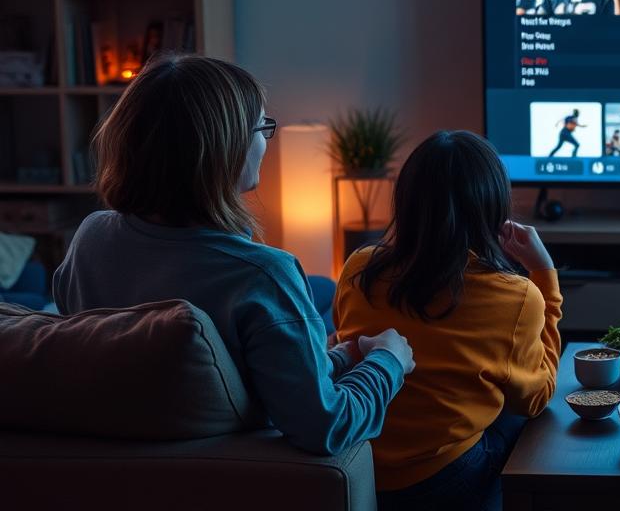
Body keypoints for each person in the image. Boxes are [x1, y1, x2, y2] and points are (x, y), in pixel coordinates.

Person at [53, 54, 415, 455]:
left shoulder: (91, 238)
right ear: (224, 150)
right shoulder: (262, 276)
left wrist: (342, 358)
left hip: (121, 458)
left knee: (320, 290)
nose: (265, 143)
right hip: (216, 474)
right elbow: (325, 426)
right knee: (321, 290)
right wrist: (388, 362)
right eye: (262, 128)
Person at [334, 131, 562, 511]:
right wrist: (544, 274)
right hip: (441, 481)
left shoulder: (359, 267)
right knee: (531, 422)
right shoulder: (517, 295)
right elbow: (535, 398)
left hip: (360, 467)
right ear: (492, 205)